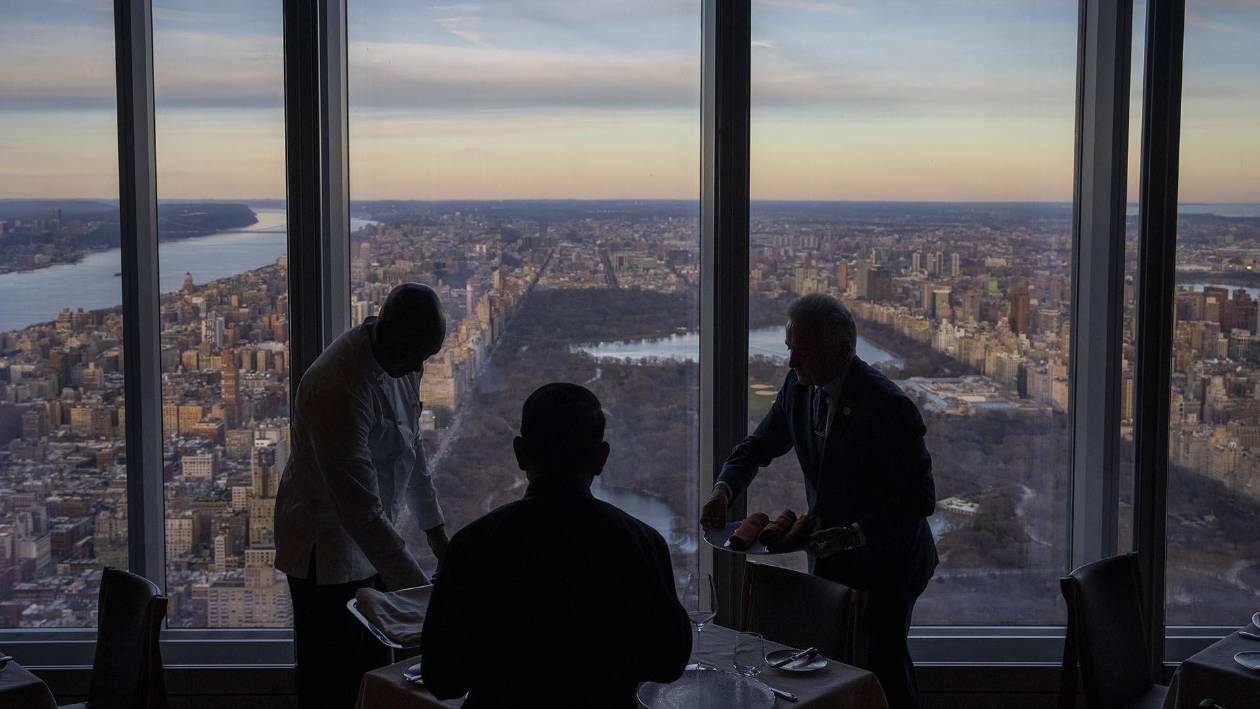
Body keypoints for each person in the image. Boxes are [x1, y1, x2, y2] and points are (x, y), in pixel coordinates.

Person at [701, 293, 937, 709]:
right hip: (831, 553)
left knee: (883, 667)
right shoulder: (798, 387)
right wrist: (724, 490)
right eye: (791, 350)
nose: (792, 364)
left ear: (843, 351)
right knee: (831, 666)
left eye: (803, 353)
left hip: (889, 559)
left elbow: (920, 498)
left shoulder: (889, 407)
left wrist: (854, 534)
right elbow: (757, 447)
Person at [421, 383, 692, 708]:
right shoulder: (642, 543)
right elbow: (669, 663)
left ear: (519, 453)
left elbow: (442, 678)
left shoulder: (471, 546)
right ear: (601, 459)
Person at [274, 283, 450, 709]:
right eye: (416, 355)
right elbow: (361, 515)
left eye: (426, 357)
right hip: (326, 553)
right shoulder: (338, 388)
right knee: (330, 682)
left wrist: (437, 534)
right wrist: (427, 597)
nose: (419, 367)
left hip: (371, 544)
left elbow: (412, 449)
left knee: (373, 671)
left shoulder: (402, 357)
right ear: (388, 329)